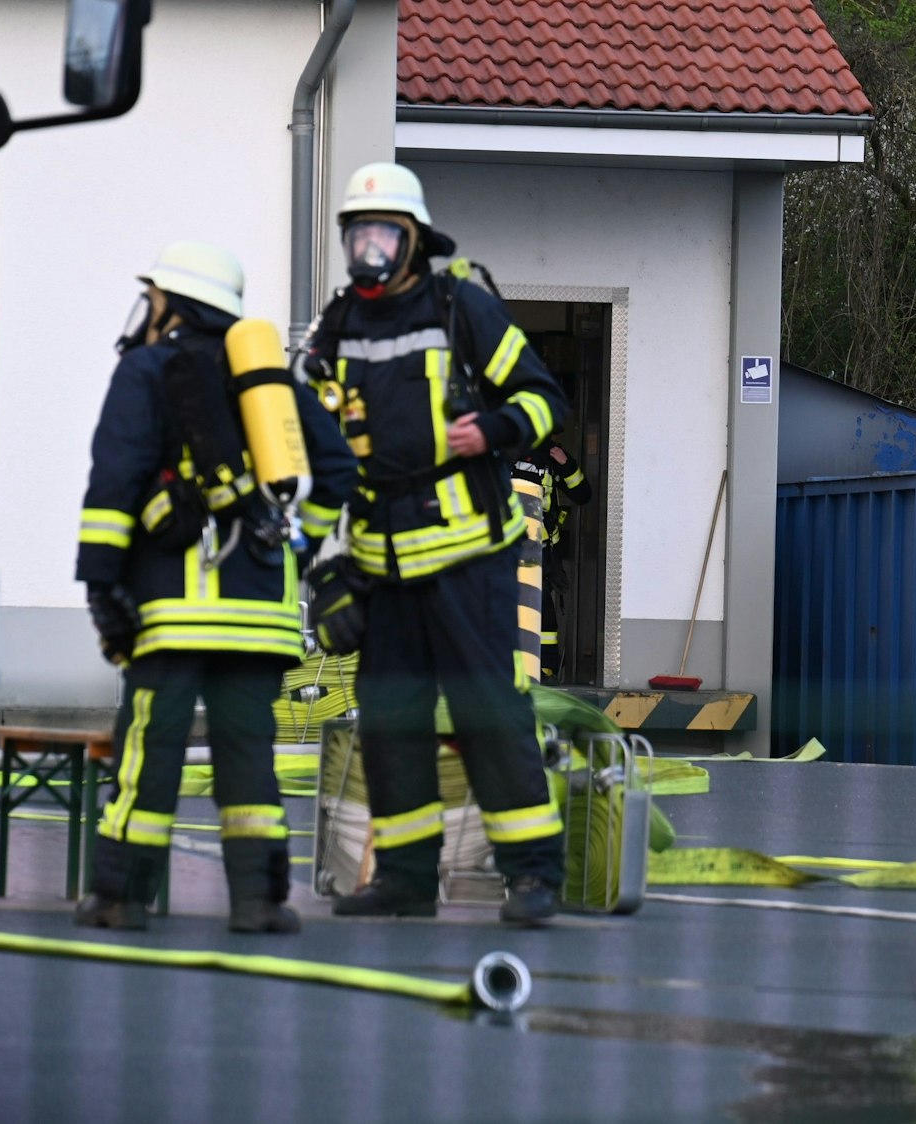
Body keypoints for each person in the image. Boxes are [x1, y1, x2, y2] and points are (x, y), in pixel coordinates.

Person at [301, 162, 569, 925]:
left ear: (414, 241)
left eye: (383, 234)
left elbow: (545, 400)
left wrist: (493, 428)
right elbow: (313, 454)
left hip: (466, 562)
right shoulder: (336, 326)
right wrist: (324, 574)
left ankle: (534, 877)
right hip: (381, 570)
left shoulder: (463, 309)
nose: (369, 250)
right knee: (391, 726)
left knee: (488, 717)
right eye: (358, 235)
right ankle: (407, 880)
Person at [74, 240, 357, 933]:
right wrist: (301, 543)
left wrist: (102, 586)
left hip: (173, 611)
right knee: (248, 764)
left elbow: (114, 481)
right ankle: (258, 904)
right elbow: (339, 472)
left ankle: (120, 898)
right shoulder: (269, 383)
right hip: (259, 616)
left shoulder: (145, 371)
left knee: (149, 755)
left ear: (172, 303)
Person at [510, 438, 593, 681]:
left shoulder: (553, 452)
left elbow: (583, 494)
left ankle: (545, 667)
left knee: (542, 605)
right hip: (502, 547)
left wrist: (566, 465)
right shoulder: (498, 448)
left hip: (541, 548)